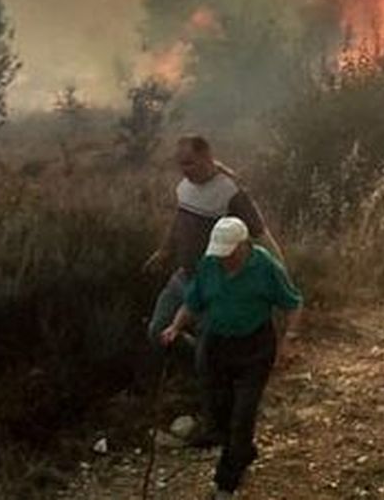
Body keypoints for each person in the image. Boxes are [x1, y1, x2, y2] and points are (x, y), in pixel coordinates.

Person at [160, 215, 302, 500]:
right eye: (221, 252)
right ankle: (243, 451)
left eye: (230, 253)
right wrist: (175, 326)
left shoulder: (265, 267)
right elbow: (193, 301)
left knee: (243, 414)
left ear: (244, 245)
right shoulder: (209, 264)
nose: (224, 259)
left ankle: (226, 484)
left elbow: (293, 303)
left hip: (255, 348)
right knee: (221, 415)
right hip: (218, 345)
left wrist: (289, 340)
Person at [145, 136, 281, 358]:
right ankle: (199, 366)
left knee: (209, 346)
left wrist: (278, 270)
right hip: (183, 276)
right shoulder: (185, 187)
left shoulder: (230, 192)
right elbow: (180, 222)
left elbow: (260, 234)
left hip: (214, 283)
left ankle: (211, 376)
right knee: (157, 330)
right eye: (180, 163)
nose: (184, 169)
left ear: (206, 157)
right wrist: (164, 250)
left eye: (189, 163)